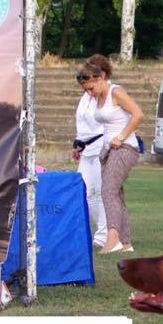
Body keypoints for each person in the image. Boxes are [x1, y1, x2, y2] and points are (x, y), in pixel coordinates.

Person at [78, 54, 144, 254]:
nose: (89, 93)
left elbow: (138, 114)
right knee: (117, 193)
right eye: (86, 90)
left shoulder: (116, 91)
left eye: (91, 88)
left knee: (108, 190)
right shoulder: (98, 96)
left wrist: (121, 137)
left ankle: (112, 239)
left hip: (124, 148)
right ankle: (125, 243)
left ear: (101, 77)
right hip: (108, 149)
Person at [71, 55, 108, 248]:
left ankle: (104, 234)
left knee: (101, 192)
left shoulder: (108, 95)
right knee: (85, 192)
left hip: (102, 145)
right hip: (86, 149)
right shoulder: (85, 97)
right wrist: (77, 144)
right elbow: (82, 123)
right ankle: (102, 230)